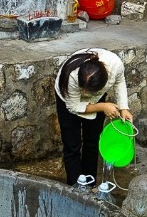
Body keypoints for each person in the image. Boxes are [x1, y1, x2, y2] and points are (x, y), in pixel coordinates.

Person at [54, 48, 132, 186]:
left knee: (92, 141)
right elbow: (73, 106)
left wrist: (124, 107)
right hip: (69, 100)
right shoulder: (71, 76)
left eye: (87, 90)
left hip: (97, 98)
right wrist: (102, 107)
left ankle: (89, 184)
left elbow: (119, 82)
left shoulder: (115, 65)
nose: (84, 92)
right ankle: (75, 187)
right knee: (72, 145)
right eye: (82, 88)